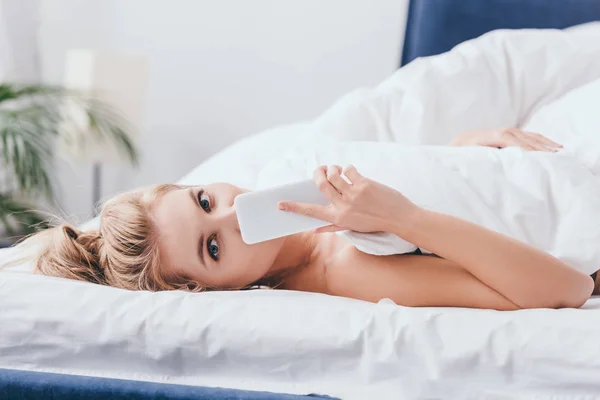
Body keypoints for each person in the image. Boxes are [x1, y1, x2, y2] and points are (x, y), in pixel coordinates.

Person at [5, 128, 596, 310]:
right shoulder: (342, 267)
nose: (234, 214)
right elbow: (567, 289)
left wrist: (463, 151)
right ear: (209, 291)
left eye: (206, 201)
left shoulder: (303, 182)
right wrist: (405, 217)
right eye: (215, 249)